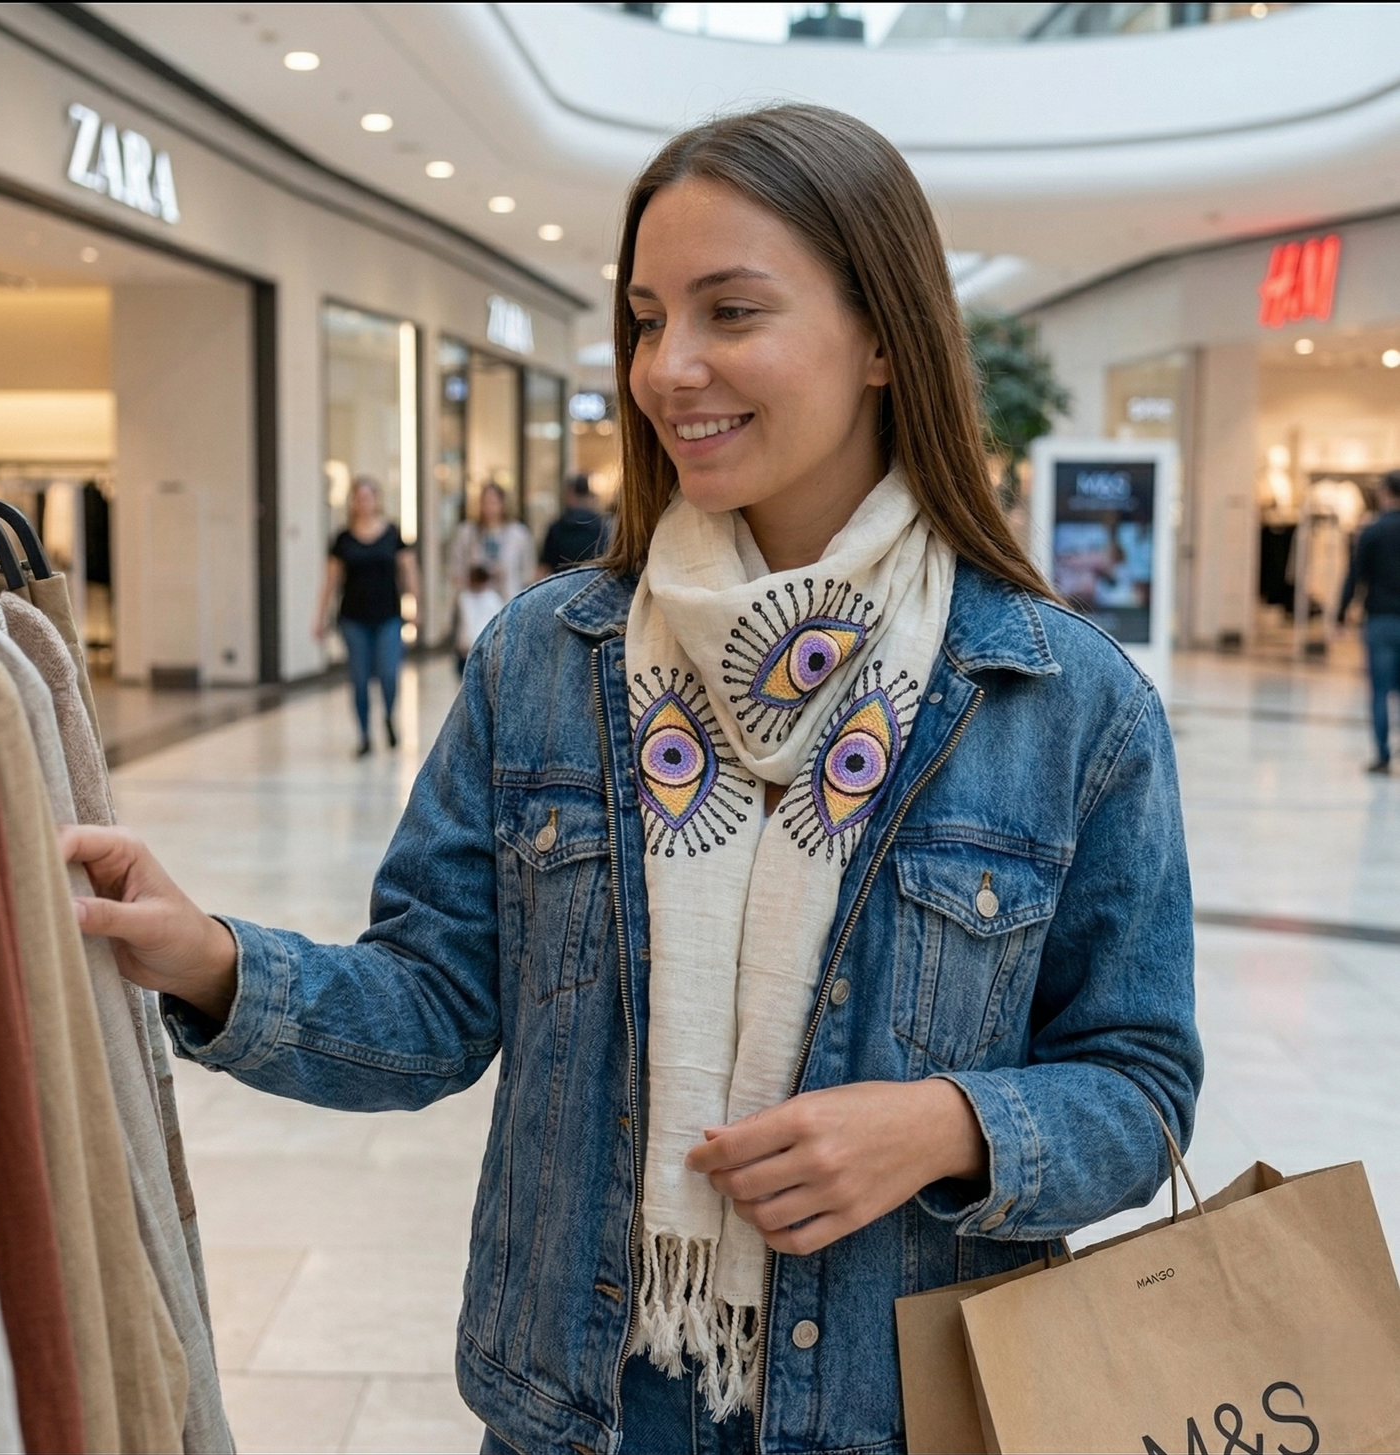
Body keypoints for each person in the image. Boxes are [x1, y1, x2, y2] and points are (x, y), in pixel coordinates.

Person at [63, 106, 1200, 1454]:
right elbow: (435, 1001)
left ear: (885, 337)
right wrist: (211, 960)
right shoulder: (548, 657)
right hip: (586, 1404)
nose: (670, 368)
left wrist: (944, 1123)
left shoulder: (1060, 699)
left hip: (898, 1411)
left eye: (731, 311)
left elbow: (1137, 1082)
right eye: (648, 318)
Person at [314, 477, 419, 757]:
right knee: (359, 679)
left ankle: (388, 716)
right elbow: (331, 581)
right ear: (353, 502)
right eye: (358, 497)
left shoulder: (392, 534)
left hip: (388, 615)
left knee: (388, 673)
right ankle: (363, 735)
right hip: (353, 618)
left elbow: (409, 572)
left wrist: (416, 607)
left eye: (369, 496)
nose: (364, 502)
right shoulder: (343, 539)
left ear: (377, 500)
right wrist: (319, 617)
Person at [1339, 469, 1400, 774]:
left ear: (1386, 493)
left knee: (1379, 691)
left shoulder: (1373, 531)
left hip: (1380, 621)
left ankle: (1382, 755)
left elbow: (1355, 576)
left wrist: (1339, 613)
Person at [450, 482, 535, 602]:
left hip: (508, 600)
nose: (489, 508)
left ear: (503, 504)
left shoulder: (518, 534)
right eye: (485, 502)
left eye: (493, 502)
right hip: (476, 604)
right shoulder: (467, 533)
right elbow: (457, 570)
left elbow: (527, 571)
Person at [537, 473, 611, 576]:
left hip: (561, 583)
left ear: (569, 494)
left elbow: (545, 565)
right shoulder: (600, 525)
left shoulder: (557, 527)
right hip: (591, 581)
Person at [453, 563, 504, 678]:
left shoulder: (493, 599)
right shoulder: (463, 598)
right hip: (466, 648)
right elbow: (462, 623)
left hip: (487, 649)